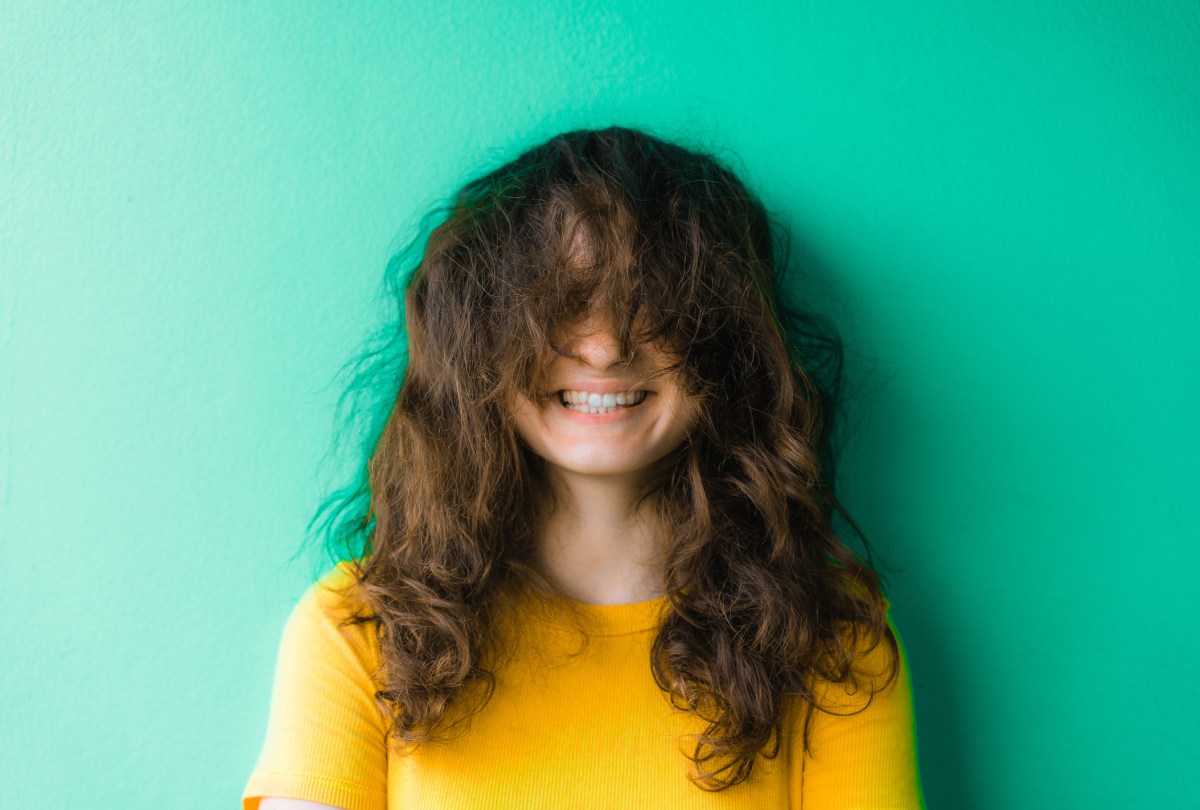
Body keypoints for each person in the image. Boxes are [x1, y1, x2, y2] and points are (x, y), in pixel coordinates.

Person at [242, 126, 925, 809]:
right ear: (479, 340)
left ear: (727, 343)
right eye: (560, 306)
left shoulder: (832, 642)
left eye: (650, 304)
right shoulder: (360, 630)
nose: (603, 349)